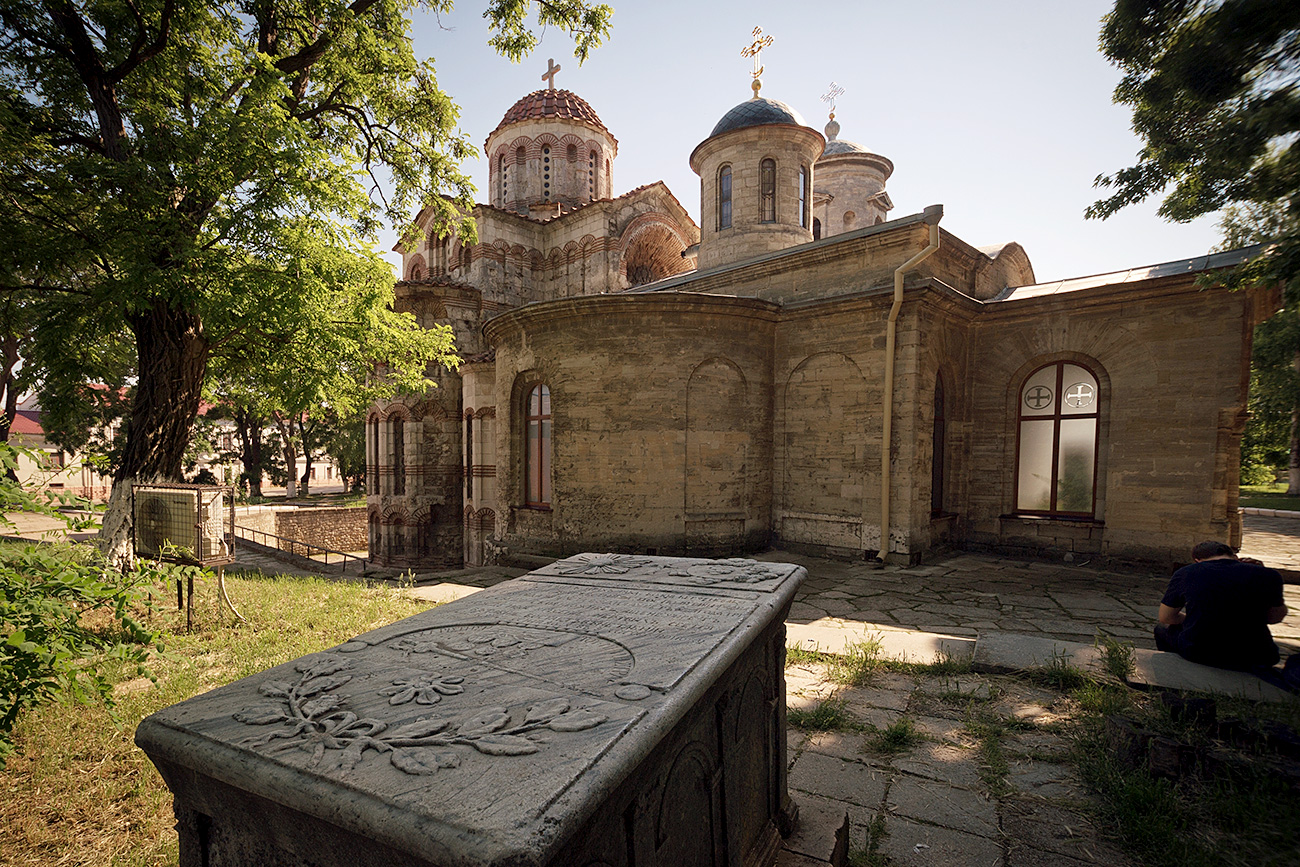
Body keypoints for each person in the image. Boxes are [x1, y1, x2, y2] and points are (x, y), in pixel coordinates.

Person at [1155, 540, 1288, 671]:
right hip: (1257, 655)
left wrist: (1195, 619)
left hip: (1201, 652)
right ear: (1235, 557)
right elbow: (1275, 618)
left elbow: (1166, 617)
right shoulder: (1268, 575)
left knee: (1162, 629)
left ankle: (1174, 672)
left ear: (1197, 560)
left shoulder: (1187, 573)